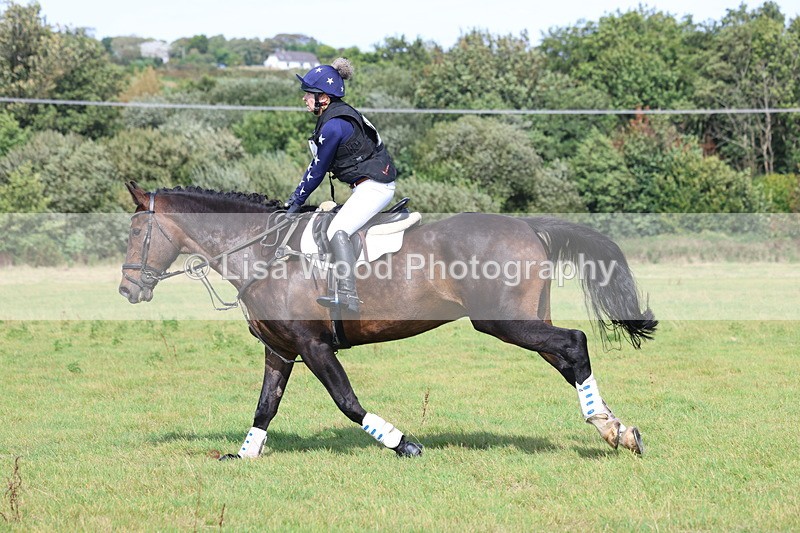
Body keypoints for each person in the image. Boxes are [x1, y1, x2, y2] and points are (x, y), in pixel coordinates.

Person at [284, 58, 397, 313]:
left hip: (375, 187)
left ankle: (348, 295)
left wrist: (295, 202)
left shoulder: (334, 125)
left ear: (323, 98)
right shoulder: (337, 116)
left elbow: (317, 170)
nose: (304, 98)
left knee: (338, 229)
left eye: (309, 94)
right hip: (368, 185)